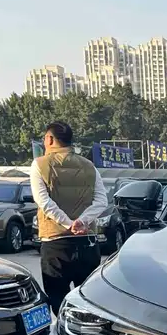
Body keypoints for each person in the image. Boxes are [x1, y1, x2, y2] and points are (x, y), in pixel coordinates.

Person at [32, 121, 109, 314]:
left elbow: (44, 202)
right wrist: (82, 222)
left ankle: (65, 331)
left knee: (59, 302)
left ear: (50, 139)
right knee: (89, 303)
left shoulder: (39, 164)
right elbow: (102, 201)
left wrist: (68, 223)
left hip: (56, 244)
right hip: (87, 244)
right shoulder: (89, 166)